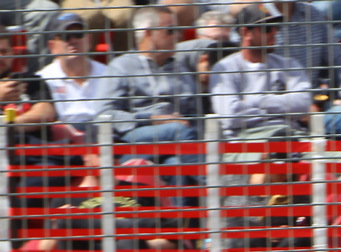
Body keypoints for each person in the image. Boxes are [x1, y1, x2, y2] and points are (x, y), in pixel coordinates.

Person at [210, 3, 312, 140]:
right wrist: (282, 108)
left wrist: (255, 100)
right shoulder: (224, 68)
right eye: (267, 28)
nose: (274, 32)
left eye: (276, 27)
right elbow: (230, 116)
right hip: (249, 142)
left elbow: (303, 104)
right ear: (246, 33)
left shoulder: (288, 64)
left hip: (292, 136)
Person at [104, 6, 200, 146]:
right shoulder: (121, 67)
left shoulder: (181, 67)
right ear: (148, 33)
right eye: (170, 30)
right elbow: (105, 113)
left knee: (176, 160)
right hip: (137, 137)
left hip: (178, 140)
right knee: (179, 131)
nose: (178, 36)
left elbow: (194, 112)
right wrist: (151, 119)